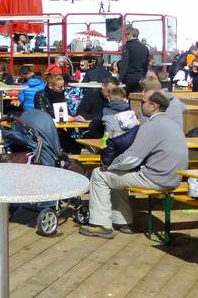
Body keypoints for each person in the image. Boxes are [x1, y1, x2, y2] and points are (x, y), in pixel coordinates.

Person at [80, 91, 188, 239]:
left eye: (143, 102)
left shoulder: (151, 126)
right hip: (174, 179)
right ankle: (123, 221)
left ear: (154, 106)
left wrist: (110, 166)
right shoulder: (172, 124)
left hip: (156, 179)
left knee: (100, 174)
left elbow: (132, 159)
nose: (140, 105)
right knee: (116, 175)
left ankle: (100, 225)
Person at [118, 27, 150, 93]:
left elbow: (124, 64)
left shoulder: (127, 46)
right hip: (140, 77)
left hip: (129, 77)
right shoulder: (145, 48)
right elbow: (146, 64)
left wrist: (120, 79)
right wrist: (143, 76)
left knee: (127, 96)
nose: (126, 36)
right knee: (137, 97)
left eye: (126, 34)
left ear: (131, 34)